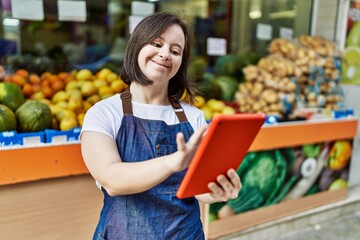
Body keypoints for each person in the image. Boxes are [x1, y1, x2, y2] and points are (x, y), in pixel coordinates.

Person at [80, 12, 242, 240]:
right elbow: (112, 179)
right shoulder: (104, 113)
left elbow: (199, 188)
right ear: (136, 46)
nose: (165, 54)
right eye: (156, 43)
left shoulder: (193, 117)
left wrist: (219, 191)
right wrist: (172, 162)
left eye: (175, 51)